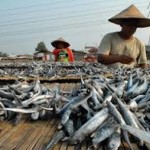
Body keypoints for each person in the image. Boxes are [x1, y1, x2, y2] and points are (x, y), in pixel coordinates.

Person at [96, 4, 150, 69]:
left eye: (134, 25)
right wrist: (119, 58)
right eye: (129, 25)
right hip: (109, 76)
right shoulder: (109, 37)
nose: (132, 28)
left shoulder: (139, 43)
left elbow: (143, 64)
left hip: (131, 75)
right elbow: (101, 58)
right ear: (121, 24)